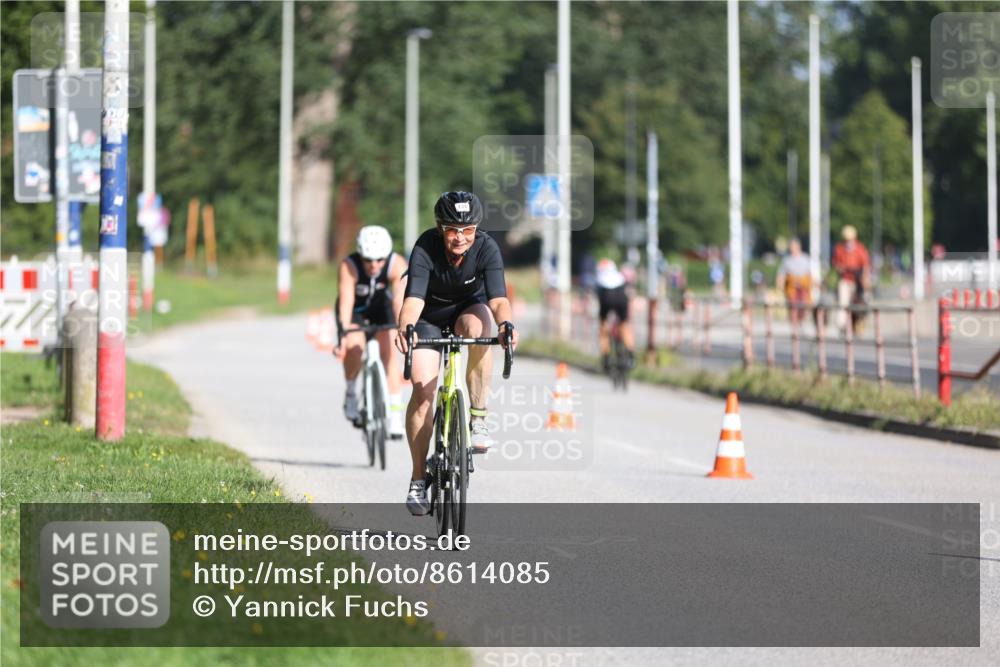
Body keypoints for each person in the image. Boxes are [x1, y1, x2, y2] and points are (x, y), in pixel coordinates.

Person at [394, 191, 519, 516]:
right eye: (452, 229)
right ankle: (419, 478)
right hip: (428, 317)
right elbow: (413, 301)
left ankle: (478, 419)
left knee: (482, 327)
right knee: (423, 392)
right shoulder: (426, 247)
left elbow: (498, 300)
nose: (461, 237)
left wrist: (506, 324)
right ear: (440, 228)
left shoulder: (487, 247)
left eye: (468, 230)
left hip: (467, 311)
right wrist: (405, 326)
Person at [334, 225, 408, 439]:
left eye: (379, 260)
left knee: (389, 357)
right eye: (368, 260)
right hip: (355, 312)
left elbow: (399, 299)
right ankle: (350, 393)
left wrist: (401, 326)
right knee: (355, 347)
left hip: (382, 310)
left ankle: (395, 417)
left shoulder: (397, 264)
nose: (374, 265)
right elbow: (346, 300)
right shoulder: (349, 266)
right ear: (360, 255)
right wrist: (344, 332)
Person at [595, 258, 635, 371]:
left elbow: (598, 294)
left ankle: (606, 357)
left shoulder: (599, 276)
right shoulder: (619, 276)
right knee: (625, 325)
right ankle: (631, 355)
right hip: (621, 298)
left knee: (603, 328)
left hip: (606, 298)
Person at [831, 225, 872, 333]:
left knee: (863, 300)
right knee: (843, 301)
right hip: (845, 279)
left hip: (858, 281)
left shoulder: (860, 249)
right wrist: (840, 268)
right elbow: (835, 263)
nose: (848, 241)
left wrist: (865, 279)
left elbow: (866, 265)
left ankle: (860, 323)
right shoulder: (839, 248)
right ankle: (842, 324)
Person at [775, 238, 813, 326]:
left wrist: (811, 283)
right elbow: (781, 274)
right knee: (793, 306)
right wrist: (779, 286)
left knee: (803, 306)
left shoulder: (805, 258)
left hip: (803, 286)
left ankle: (800, 320)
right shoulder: (787, 260)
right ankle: (794, 324)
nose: (792, 249)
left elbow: (809, 274)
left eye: (794, 247)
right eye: (791, 247)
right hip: (792, 287)